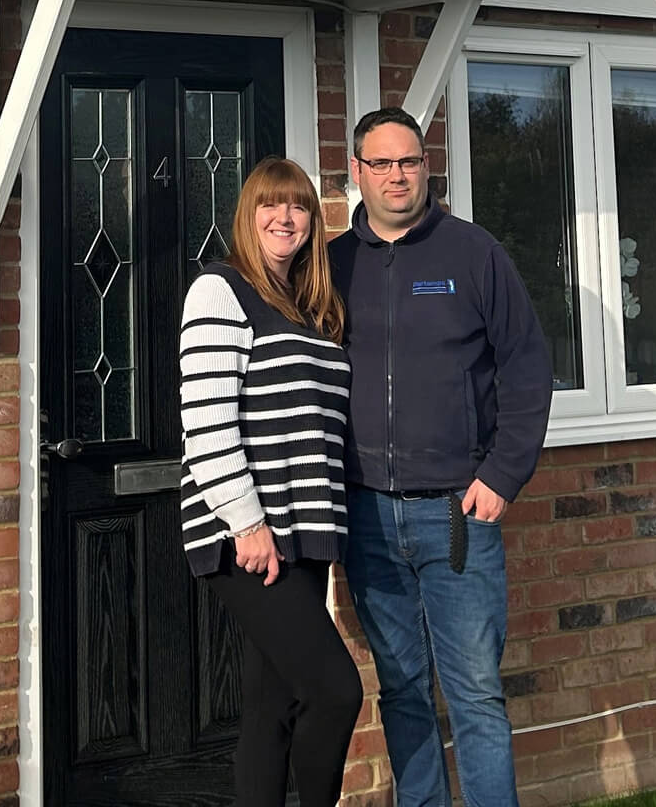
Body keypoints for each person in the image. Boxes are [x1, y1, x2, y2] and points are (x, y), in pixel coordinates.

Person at [329, 107, 553, 807]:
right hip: (366, 515)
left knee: (477, 694)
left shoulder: (472, 253)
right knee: (401, 688)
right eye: (383, 163)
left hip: (458, 514)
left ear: (426, 168)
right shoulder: (332, 265)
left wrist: (502, 474)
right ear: (357, 173)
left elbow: (526, 367)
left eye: (410, 161)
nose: (398, 175)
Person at [178, 155, 362, 807]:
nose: (286, 218)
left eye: (299, 206)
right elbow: (206, 422)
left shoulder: (313, 310)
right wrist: (245, 521)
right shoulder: (220, 290)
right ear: (248, 216)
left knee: (271, 705)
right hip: (251, 535)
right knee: (337, 691)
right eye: (271, 205)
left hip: (308, 532)